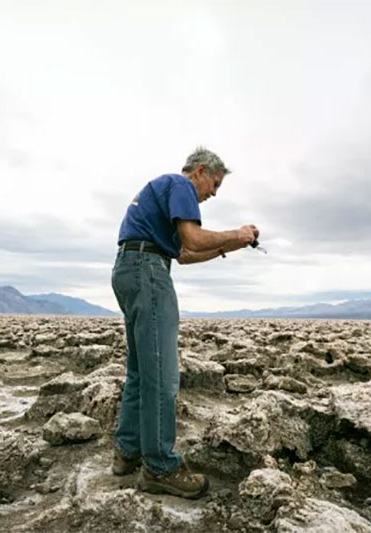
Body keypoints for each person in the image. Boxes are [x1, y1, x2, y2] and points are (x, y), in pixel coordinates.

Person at [110, 147, 259, 499]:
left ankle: (127, 452)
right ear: (201, 171)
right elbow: (192, 239)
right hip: (148, 272)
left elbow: (186, 254)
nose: (214, 193)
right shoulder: (181, 185)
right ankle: (160, 467)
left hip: (129, 269)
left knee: (140, 371)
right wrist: (236, 233)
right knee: (162, 375)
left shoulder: (162, 192)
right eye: (215, 184)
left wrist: (232, 246)